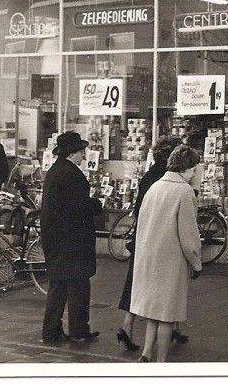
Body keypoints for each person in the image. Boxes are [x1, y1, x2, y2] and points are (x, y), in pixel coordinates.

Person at [129, 146, 203, 362]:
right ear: (188, 168)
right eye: (195, 169)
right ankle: (161, 362)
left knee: (154, 312)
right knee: (167, 316)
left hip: (148, 257)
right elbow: (188, 236)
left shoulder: (155, 187)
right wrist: (196, 263)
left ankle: (146, 353)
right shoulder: (184, 192)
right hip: (170, 261)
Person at [116, 136, 186, 352]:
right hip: (162, 238)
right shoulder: (169, 180)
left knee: (137, 281)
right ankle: (168, 327)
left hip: (143, 236)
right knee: (166, 284)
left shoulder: (148, 177)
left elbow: (138, 209)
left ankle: (128, 325)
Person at [41, 131, 103, 343]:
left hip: (56, 238)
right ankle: (78, 329)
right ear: (72, 154)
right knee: (78, 286)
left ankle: (51, 330)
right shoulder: (70, 174)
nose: (83, 156)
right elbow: (79, 207)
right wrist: (96, 204)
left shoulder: (54, 171)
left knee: (58, 286)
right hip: (72, 241)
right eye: (81, 152)